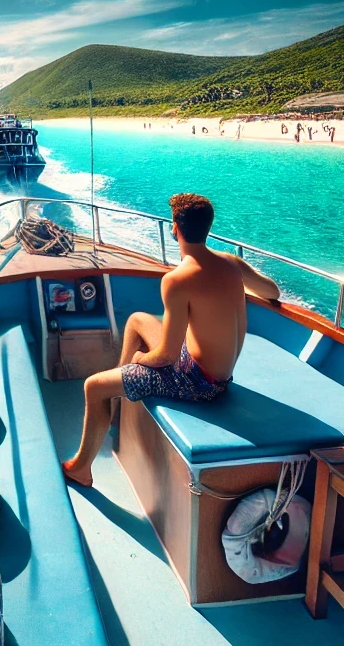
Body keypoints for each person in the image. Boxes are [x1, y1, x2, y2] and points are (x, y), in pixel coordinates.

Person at [61, 193, 280, 489]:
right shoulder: (232, 264)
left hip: (199, 383)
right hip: (219, 373)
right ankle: (116, 410)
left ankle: (81, 468)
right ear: (207, 228)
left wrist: (140, 361)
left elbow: (166, 356)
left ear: (175, 228)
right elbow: (273, 292)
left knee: (93, 386)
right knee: (138, 319)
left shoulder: (178, 280)